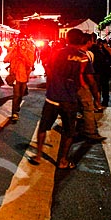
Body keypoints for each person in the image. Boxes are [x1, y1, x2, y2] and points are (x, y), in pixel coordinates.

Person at [29, 29, 87, 169]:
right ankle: (63, 160)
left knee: (43, 127)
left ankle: (38, 156)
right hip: (70, 99)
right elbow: (82, 77)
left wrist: (52, 85)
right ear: (80, 40)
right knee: (69, 131)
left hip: (53, 97)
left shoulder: (57, 53)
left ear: (67, 39)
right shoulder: (83, 57)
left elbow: (48, 69)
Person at [77, 33, 106, 142]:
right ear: (88, 42)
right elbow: (89, 76)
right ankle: (89, 132)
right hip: (81, 85)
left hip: (67, 87)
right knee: (88, 107)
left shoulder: (65, 52)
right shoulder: (84, 55)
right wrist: (95, 93)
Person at [3, 34, 35, 121]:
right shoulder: (14, 52)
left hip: (24, 77)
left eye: (23, 42)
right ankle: (14, 113)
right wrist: (13, 49)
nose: (22, 44)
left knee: (21, 95)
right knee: (16, 95)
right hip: (15, 77)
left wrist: (23, 54)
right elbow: (5, 60)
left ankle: (16, 108)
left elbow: (30, 64)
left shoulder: (29, 52)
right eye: (20, 42)